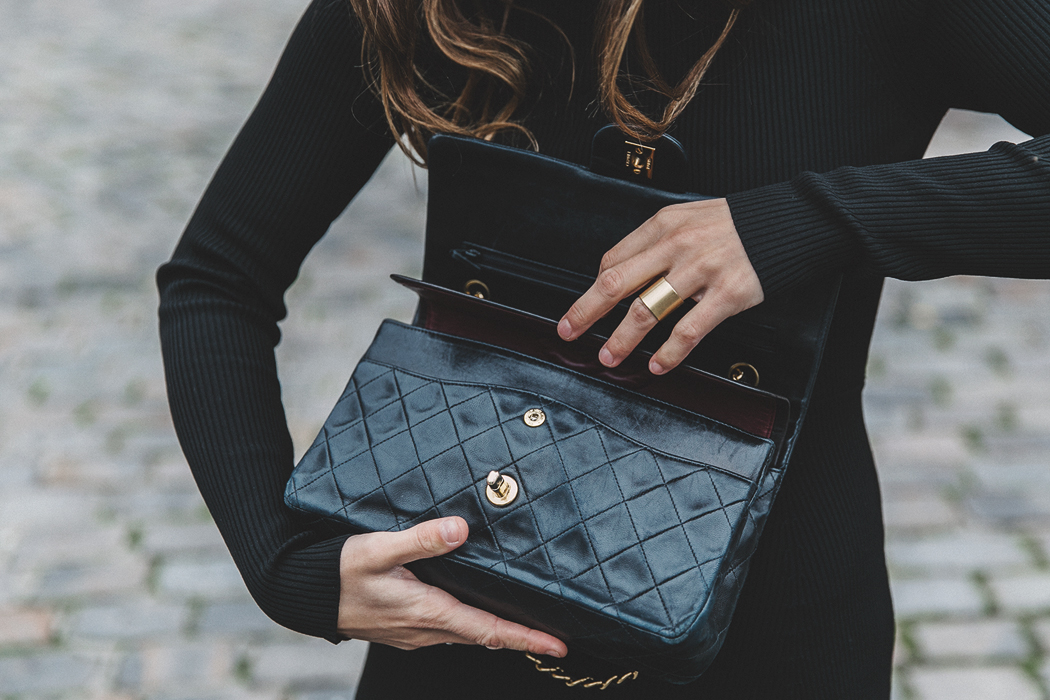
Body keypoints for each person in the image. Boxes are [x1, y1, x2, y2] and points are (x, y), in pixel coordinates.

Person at [157, 0, 1050, 697]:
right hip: (456, 636)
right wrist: (285, 567)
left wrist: (796, 225)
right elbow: (218, 277)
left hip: (781, 637)